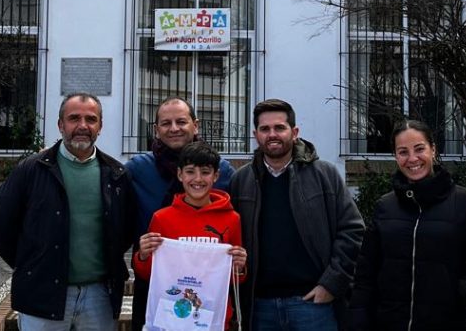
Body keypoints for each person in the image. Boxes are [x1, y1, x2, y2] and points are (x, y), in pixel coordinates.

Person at [0, 92, 137, 331]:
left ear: (100, 127)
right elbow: (0, 228)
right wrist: (33, 266)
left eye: (91, 119)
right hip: (42, 293)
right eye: (74, 118)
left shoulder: (116, 174)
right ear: (60, 125)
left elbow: (126, 229)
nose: (82, 126)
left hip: (99, 297)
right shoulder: (31, 170)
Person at [229, 98, 365, 330]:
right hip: (260, 306)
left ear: (294, 132)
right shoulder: (241, 180)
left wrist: (332, 284)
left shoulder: (324, 175)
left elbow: (352, 231)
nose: (272, 134)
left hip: (312, 304)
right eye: (265, 129)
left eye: (279, 127)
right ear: (256, 134)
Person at [348, 120, 466, 330]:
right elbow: (366, 272)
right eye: (403, 152)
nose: (412, 159)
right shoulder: (385, 206)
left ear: (433, 149)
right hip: (388, 323)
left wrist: (460, 295)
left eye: (419, 149)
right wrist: (358, 319)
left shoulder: (465, 203)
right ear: (395, 156)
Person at [126, 96, 238, 328]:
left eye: (181, 121)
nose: (174, 128)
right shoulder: (137, 169)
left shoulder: (224, 171)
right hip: (154, 284)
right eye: (166, 123)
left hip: (207, 292)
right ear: (156, 130)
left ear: (195, 125)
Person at [133, 142, 248, 330]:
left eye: (205, 172)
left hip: (213, 319)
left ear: (216, 176)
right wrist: (143, 255)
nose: (198, 179)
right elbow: (148, 274)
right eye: (190, 171)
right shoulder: (162, 218)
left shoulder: (231, 219)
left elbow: (235, 277)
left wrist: (240, 266)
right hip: (172, 318)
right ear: (180, 175)